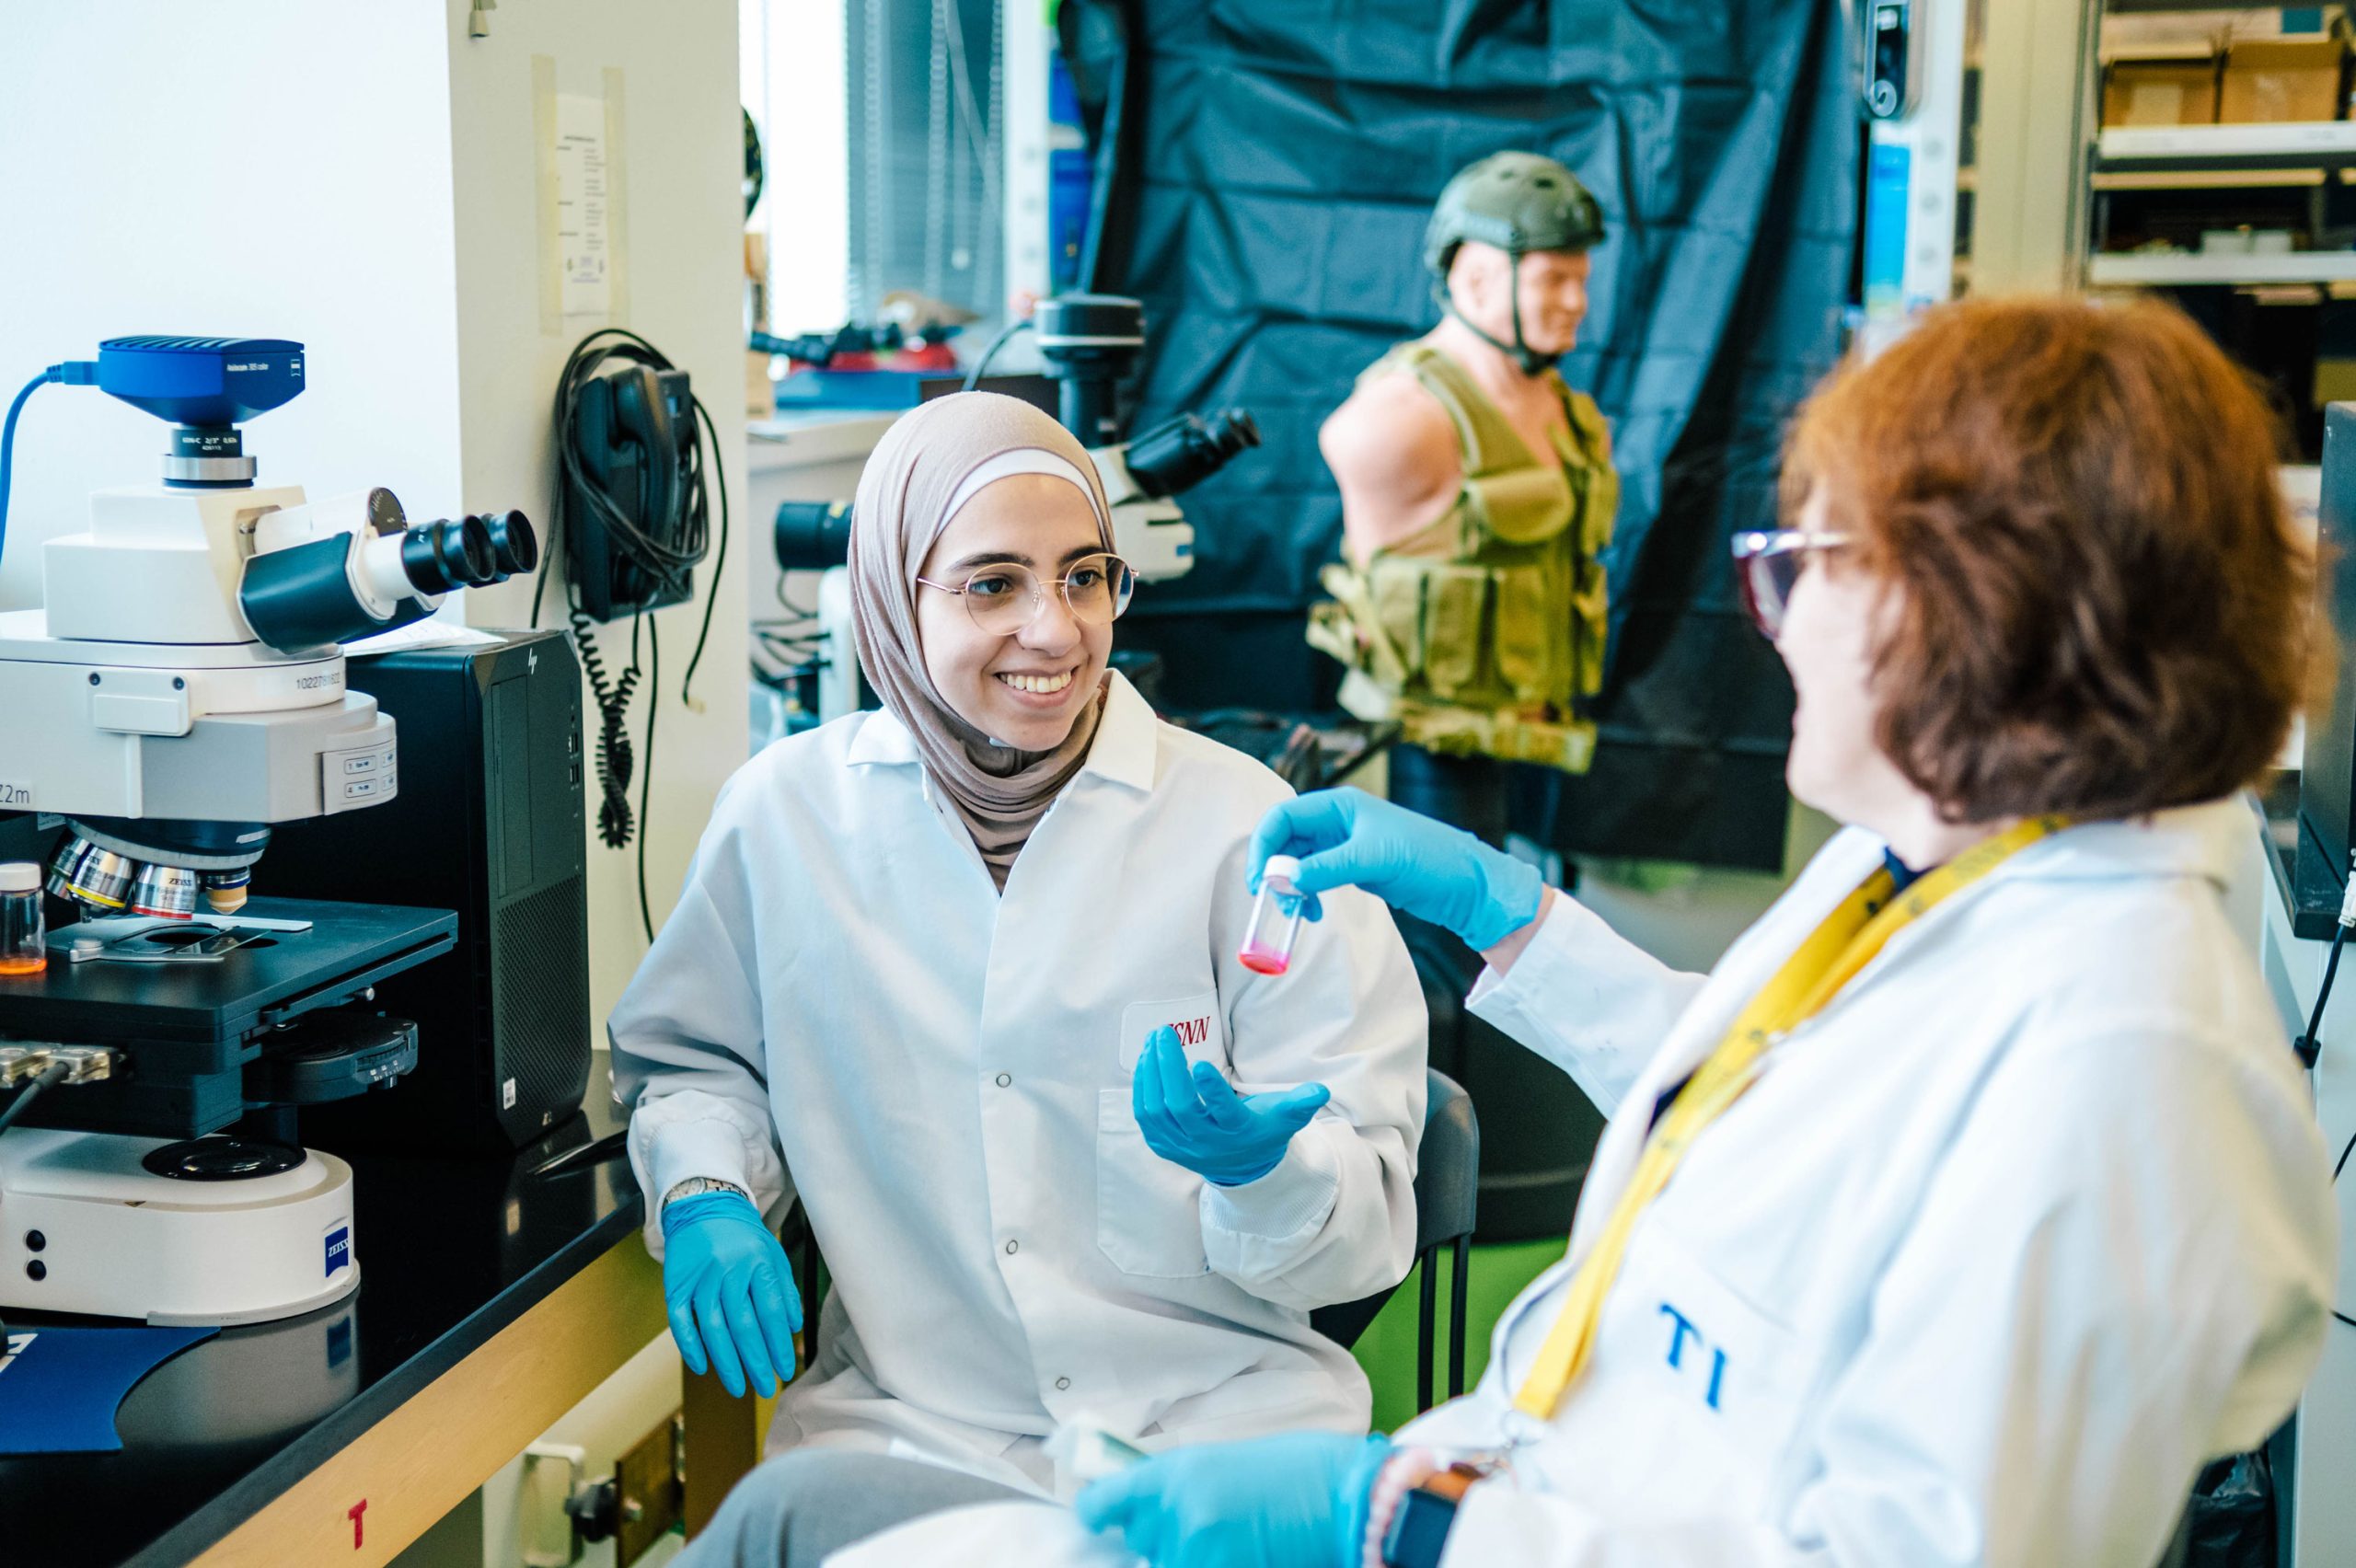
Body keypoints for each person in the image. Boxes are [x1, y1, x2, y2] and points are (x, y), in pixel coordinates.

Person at [1075, 297, 2339, 1568]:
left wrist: (1414, 1528)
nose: (1773, 616)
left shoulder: (2124, 1059)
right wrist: (1508, 915)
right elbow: (1795, 1110)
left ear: (1972, 607)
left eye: (1809, 562)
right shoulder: (1957, 854)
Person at [607, 393, 1426, 1562]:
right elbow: (692, 1057)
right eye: (993, 584)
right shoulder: (787, 817)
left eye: (1086, 576)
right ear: (894, 595)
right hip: (913, 1438)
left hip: (1216, 1438)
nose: (1054, 630)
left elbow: (1356, 1238)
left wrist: (1270, 1172)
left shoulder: (1244, 828)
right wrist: (702, 1191)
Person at [1310, 150, 1622, 1241]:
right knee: (1440, 958)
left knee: (1538, 931)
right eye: (1555, 278)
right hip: (1434, 738)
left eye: (1584, 276)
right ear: (1479, 278)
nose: (1576, 301)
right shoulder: (1397, 420)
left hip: (1535, 718)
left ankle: (1532, 1141)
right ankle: (1436, 1176)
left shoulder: (1561, 409)